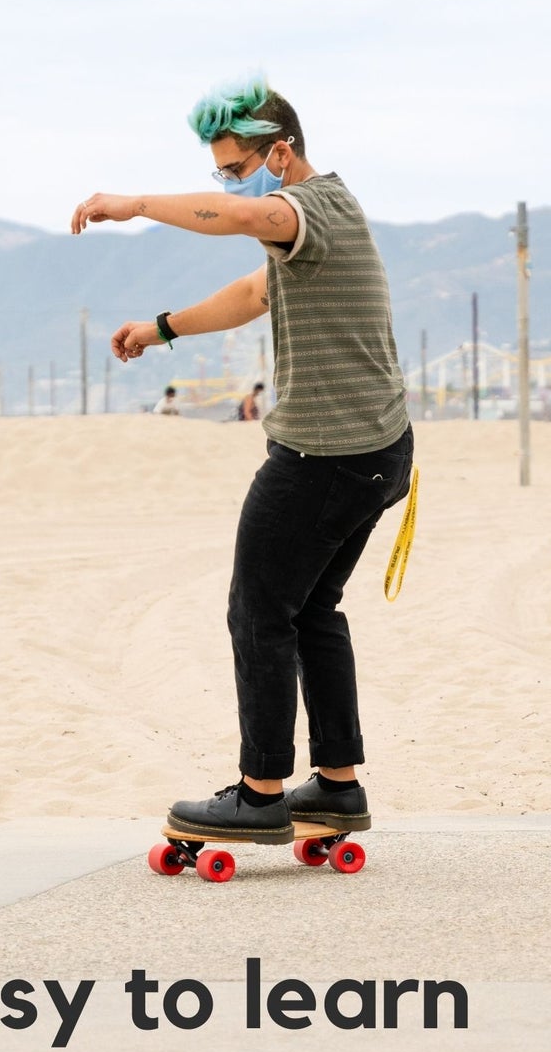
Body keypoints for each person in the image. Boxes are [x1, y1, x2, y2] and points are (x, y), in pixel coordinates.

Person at [72, 76, 412, 842]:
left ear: (281, 154)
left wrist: (132, 205)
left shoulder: (302, 207)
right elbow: (257, 293)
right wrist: (163, 328)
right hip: (377, 452)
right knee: (311, 609)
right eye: (219, 170)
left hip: (322, 456)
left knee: (257, 613)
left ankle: (260, 794)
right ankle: (335, 784)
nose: (227, 182)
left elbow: (245, 215)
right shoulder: (325, 219)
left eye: (234, 167)